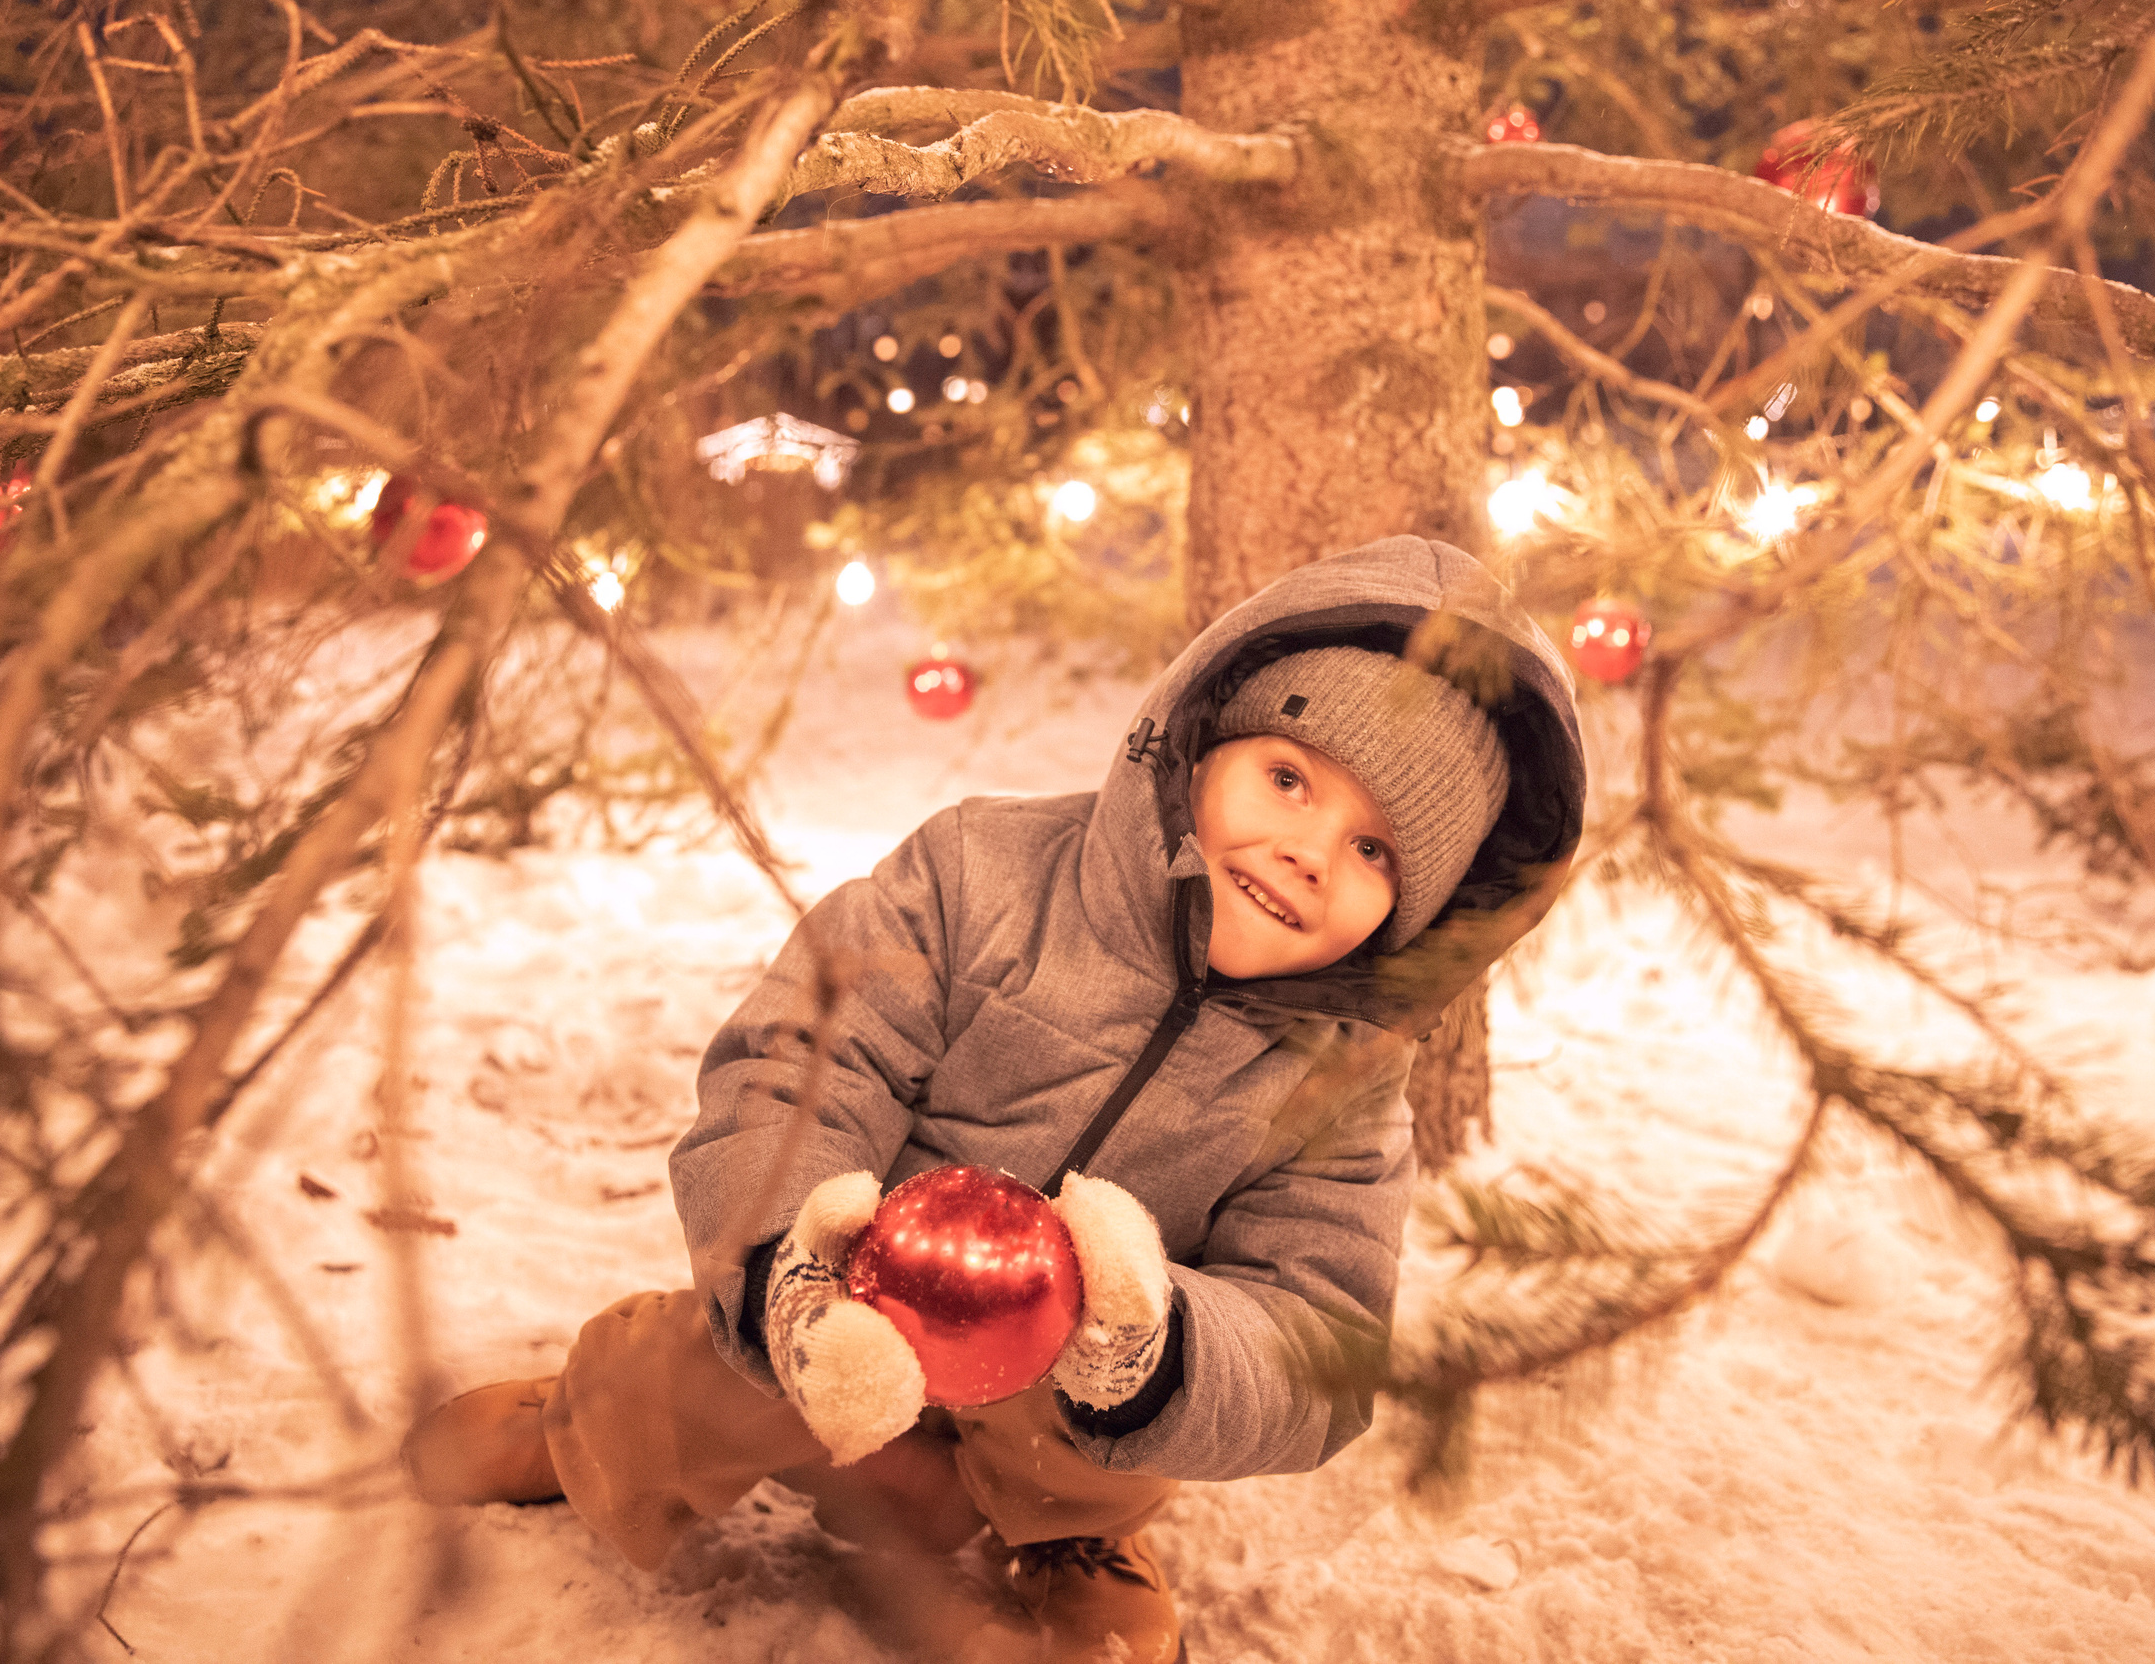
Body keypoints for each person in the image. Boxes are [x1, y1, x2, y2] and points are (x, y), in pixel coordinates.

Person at [403, 534, 1586, 1662]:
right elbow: (802, 1057)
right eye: (1287, 778)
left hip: (1065, 1393)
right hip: (857, 1302)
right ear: (1196, 749)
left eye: (1376, 851)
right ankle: (591, 1424)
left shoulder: (1344, 1079)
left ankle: (1071, 1538)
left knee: (1107, 1443)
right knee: (699, 1378)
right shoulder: (981, 874)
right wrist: (796, 1270)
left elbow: (1319, 1329)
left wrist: (1157, 1353)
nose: (1309, 852)